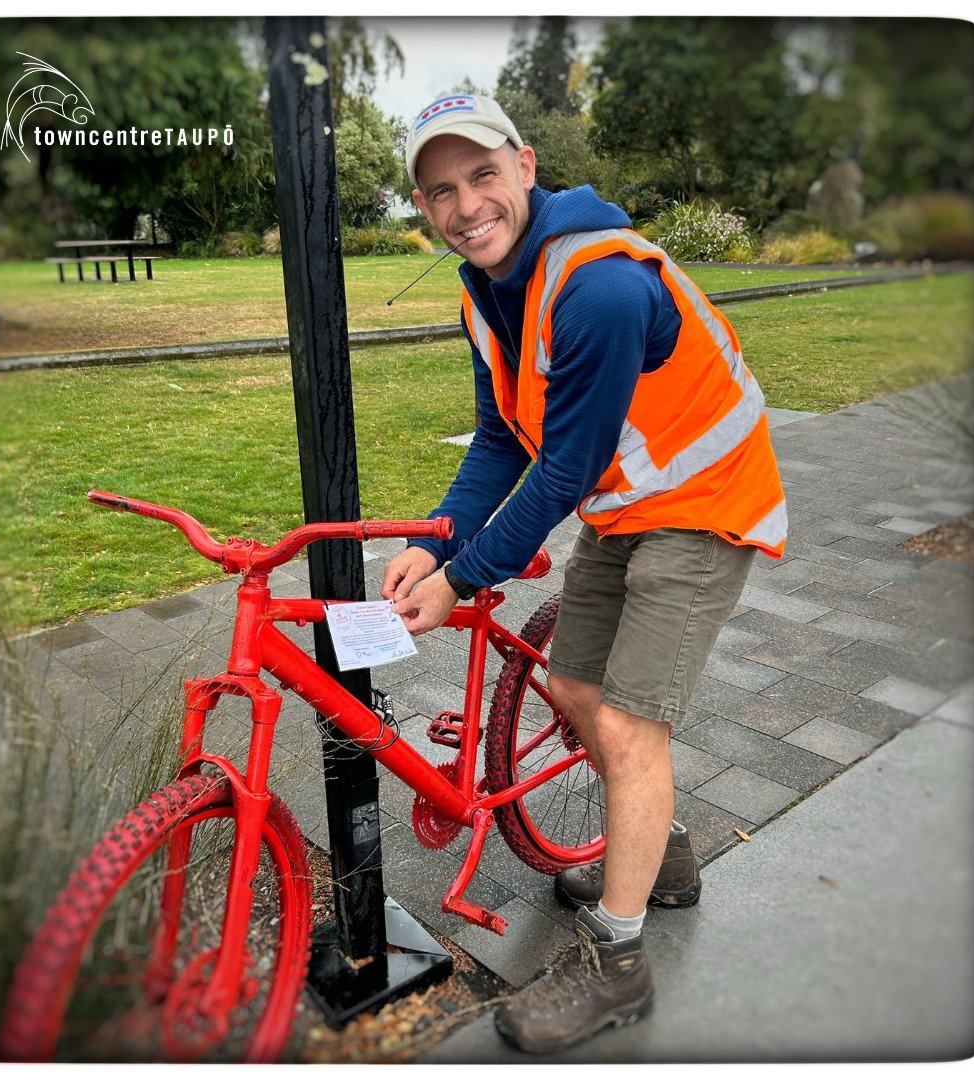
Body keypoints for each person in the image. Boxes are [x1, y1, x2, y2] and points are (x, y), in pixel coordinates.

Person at [381, 94, 787, 1054]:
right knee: (570, 683)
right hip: (626, 505)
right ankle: (665, 858)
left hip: (706, 503)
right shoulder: (488, 290)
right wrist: (438, 542)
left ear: (526, 166)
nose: (466, 204)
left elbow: (560, 467)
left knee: (630, 722)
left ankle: (618, 958)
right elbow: (496, 440)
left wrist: (463, 579)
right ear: (423, 208)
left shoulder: (596, 284)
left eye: (482, 174)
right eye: (441, 190)